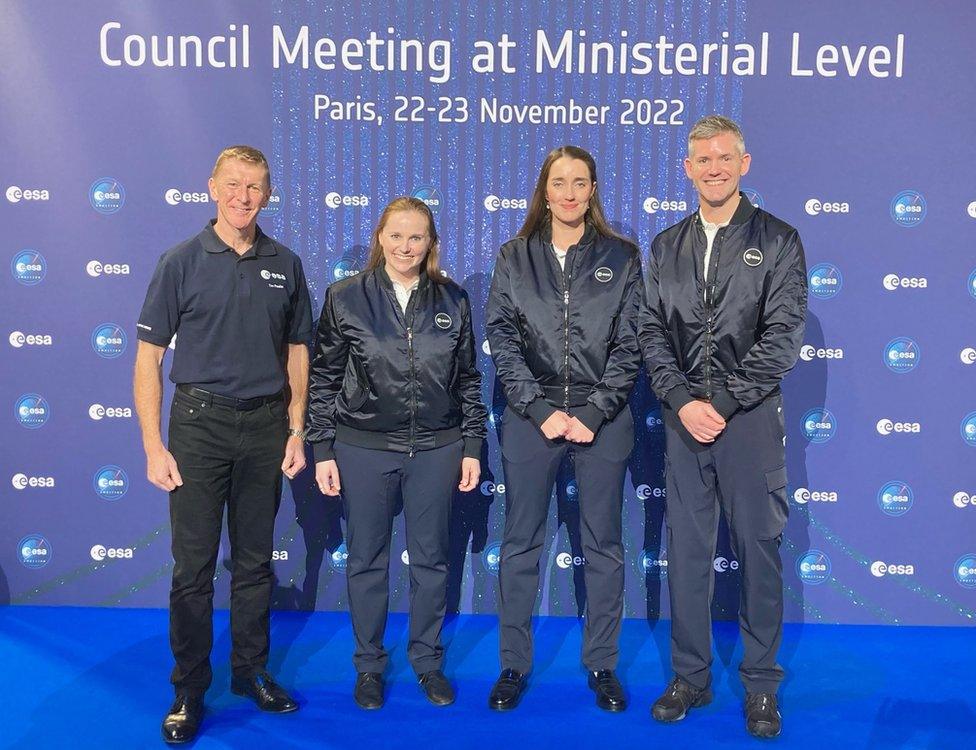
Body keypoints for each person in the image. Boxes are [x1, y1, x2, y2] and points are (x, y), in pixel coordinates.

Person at [134, 146, 312, 744]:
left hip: (266, 428)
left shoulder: (285, 264)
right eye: (233, 184)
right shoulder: (181, 261)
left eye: (255, 186)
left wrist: (295, 427)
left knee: (256, 563)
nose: (243, 196)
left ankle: (250, 671)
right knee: (193, 568)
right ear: (212, 187)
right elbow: (149, 357)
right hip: (199, 427)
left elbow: (297, 351)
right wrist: (153, 446)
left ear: (268, 194)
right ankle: (188, 687)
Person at [639, 115, 807, 738]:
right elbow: (651, 333)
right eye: (702, 159)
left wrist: (728, 401)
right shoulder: (665, 245)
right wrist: (683, 400)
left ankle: (761, 684)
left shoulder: (780, 240)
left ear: (744, 163)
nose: (714, 168)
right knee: (687, 553)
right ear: (688, 169)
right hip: (684, 422)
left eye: (724, 157)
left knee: (759, 553)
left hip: (750, 421)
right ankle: (691, 676)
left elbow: (782, 338)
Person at [307, 196, 487, 710]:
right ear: (379, 239)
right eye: (396, 236)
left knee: (432, 561)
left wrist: (472, 445)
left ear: (430, 243)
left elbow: (469, 380)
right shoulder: (344, 297)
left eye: (417, 237)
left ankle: (427, 662)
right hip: (362, 449)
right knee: (366, 560)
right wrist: (323, 449)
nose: (406, 247)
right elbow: (322, 379)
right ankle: (369, 667)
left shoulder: (453, 299)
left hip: (438, 448)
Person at [484, 146, 644, 712]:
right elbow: (500, 339)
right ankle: (513, 664)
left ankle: (602, 664)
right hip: (533, 419)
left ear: (593, 189)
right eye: (560, 182)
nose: (570, 192)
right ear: (544, 191)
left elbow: (632, 343)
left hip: (604, 420)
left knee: (603, 545)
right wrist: (538, 408)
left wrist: (595, 411)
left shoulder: (623, 257)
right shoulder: (515, 256)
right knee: (521, 543)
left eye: (580, 181)